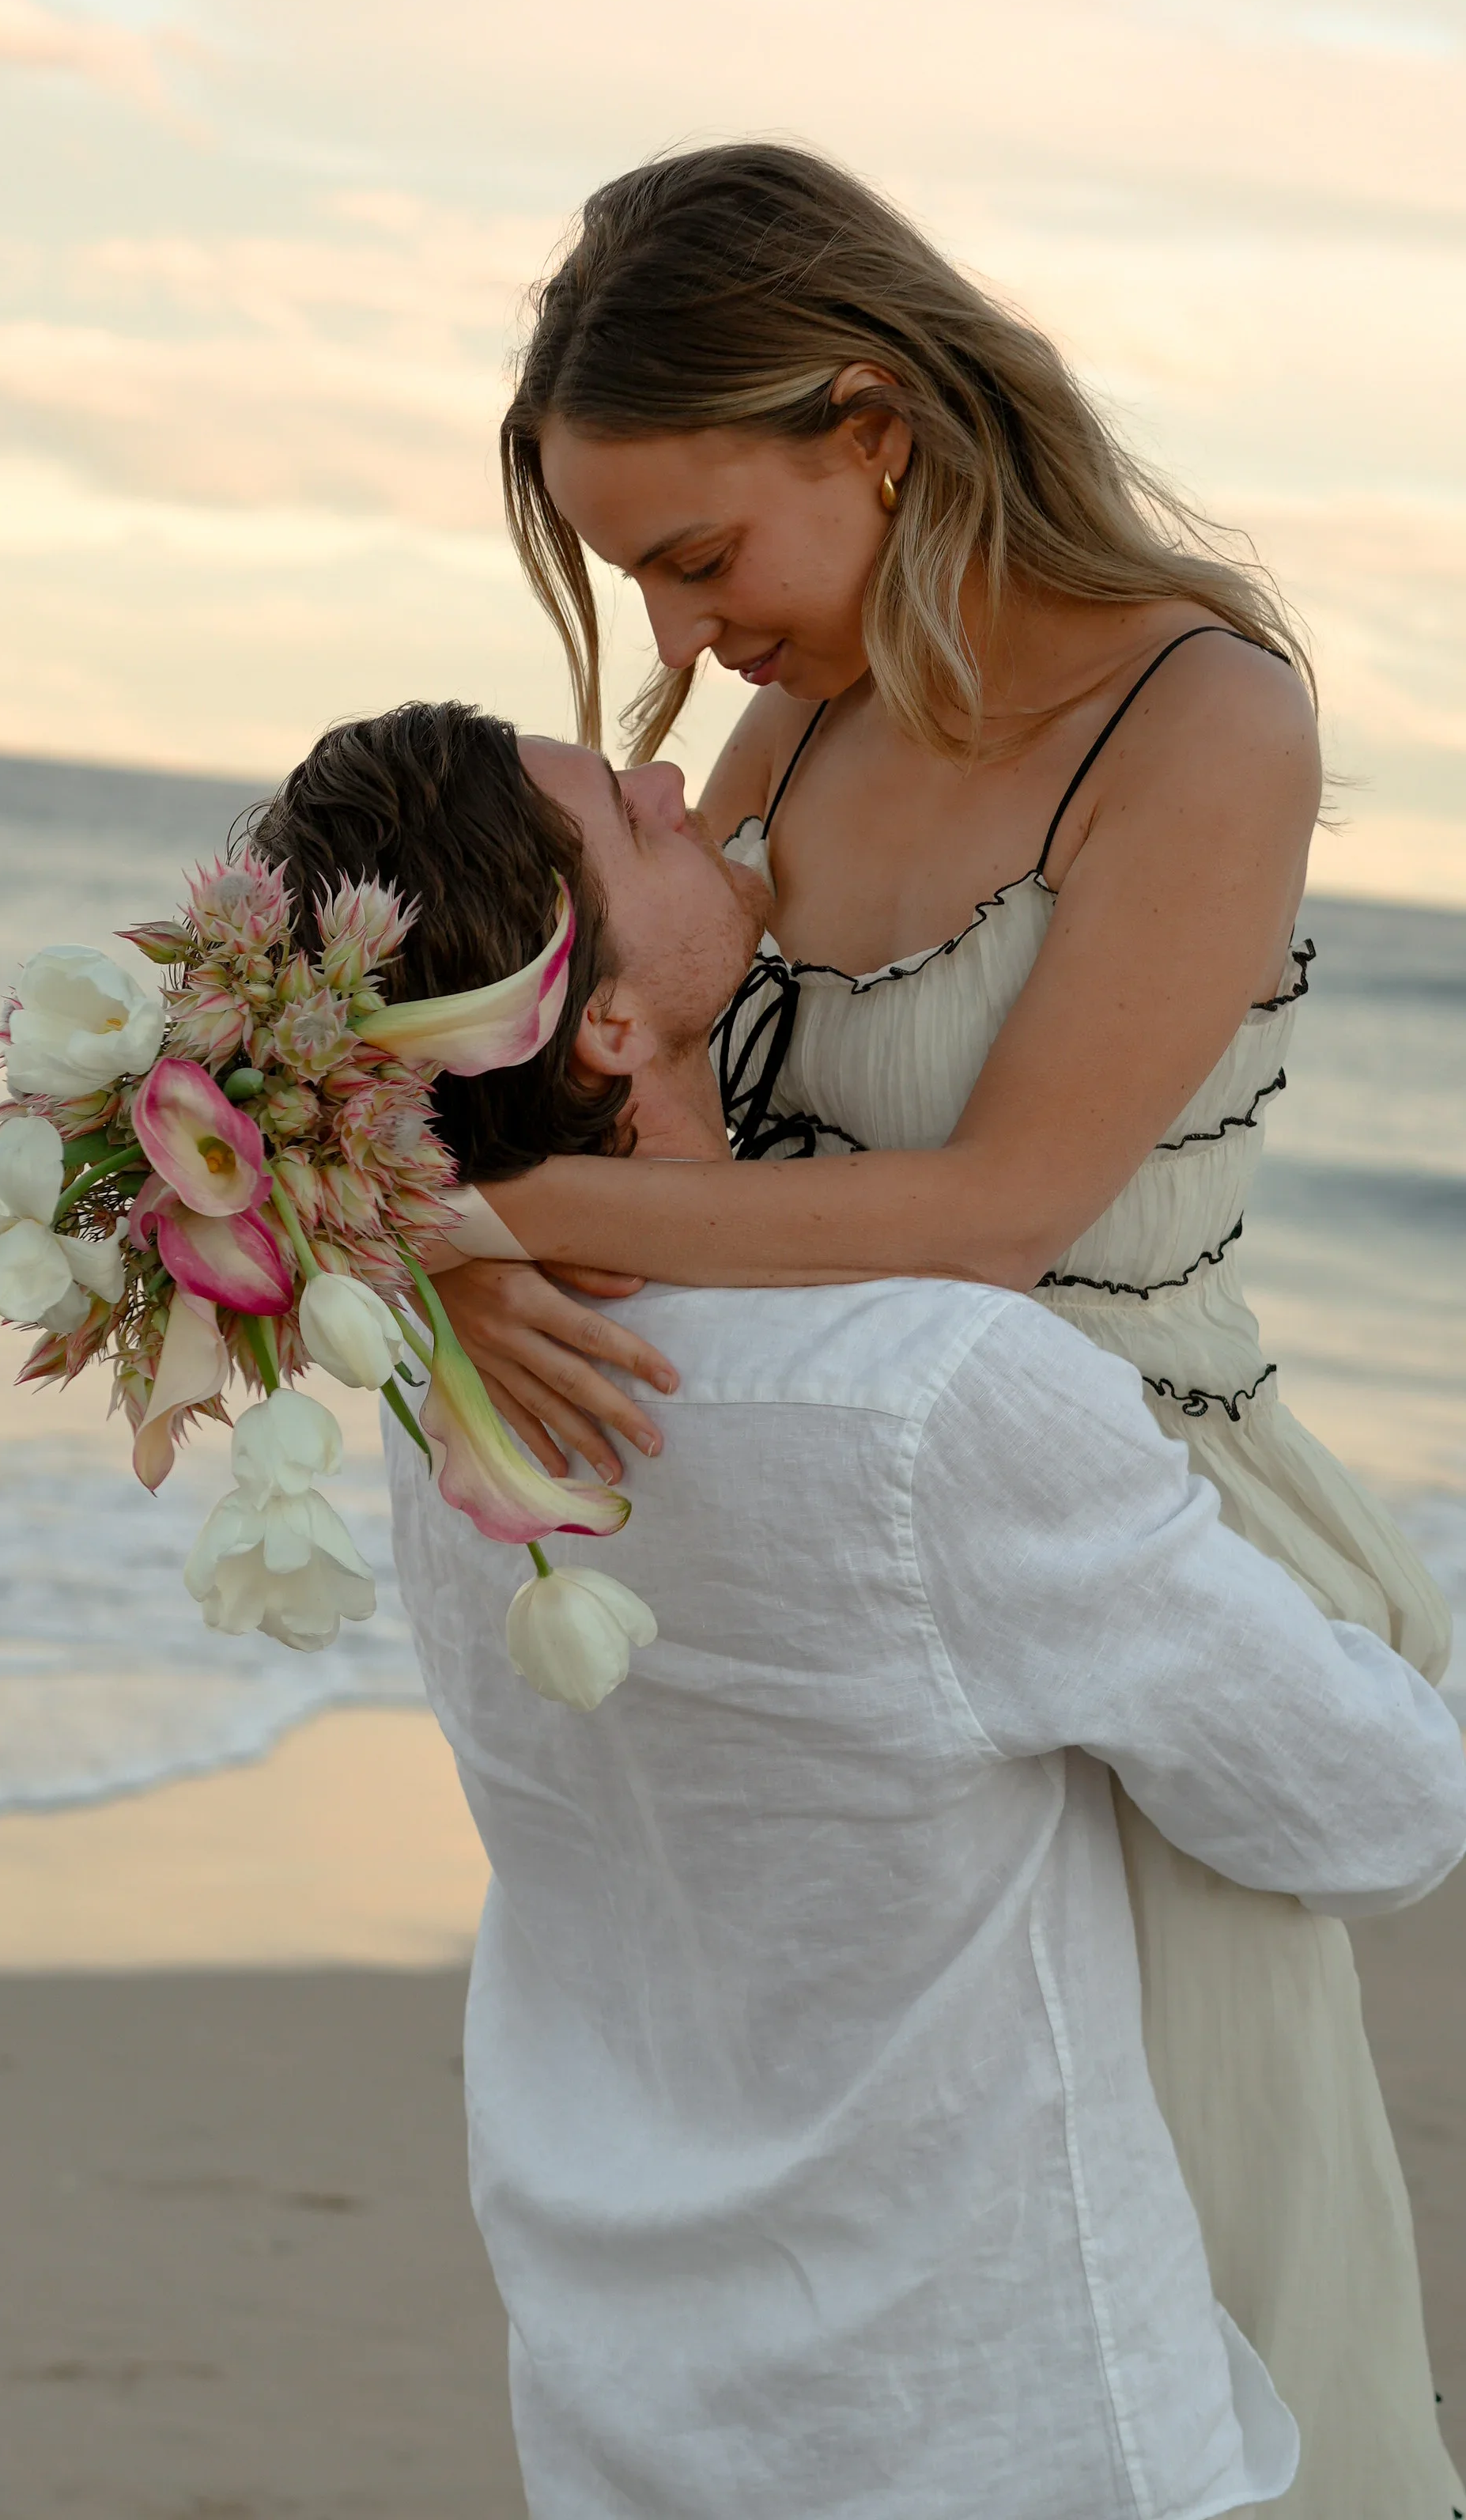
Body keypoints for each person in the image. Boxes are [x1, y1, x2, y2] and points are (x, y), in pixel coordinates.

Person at [431, 144, 1460, 2518]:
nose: (680, 637)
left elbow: (1000, 1215)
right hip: (843, 1539)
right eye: (631, 583)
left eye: (703, 556)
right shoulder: (805, 713)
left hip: (1128, 1534)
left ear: (873, 427)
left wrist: (477, 1215)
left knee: (1184, 2256)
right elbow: (658, 1062)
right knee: (884, 2271)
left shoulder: (1203, 719)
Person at [251, 700, 1466, 2520]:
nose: (680, 780)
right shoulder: (932, 1392)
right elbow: (1380, 1815)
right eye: (632, 819)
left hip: (624, 2381)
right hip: (992, 2415)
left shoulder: (440, 1400)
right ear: (595, 1022)